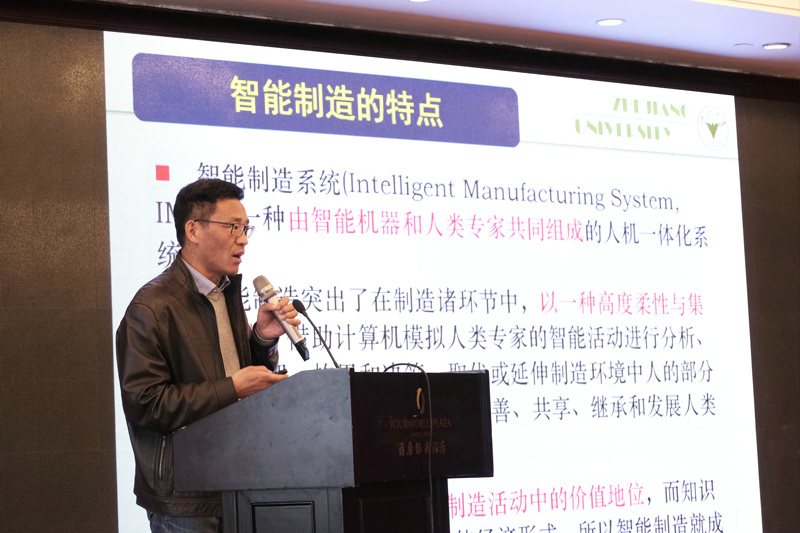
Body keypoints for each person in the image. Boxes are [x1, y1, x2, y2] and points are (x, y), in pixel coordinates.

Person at [116, 178, 298, 532]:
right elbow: (146, 404)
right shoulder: (151, 307)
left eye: (245, 228)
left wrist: (262, 339)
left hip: (240, 483)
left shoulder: (224, 294)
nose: (243, 239)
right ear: (193, 230)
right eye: (233, 227)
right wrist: (232, 388)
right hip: (187, 499)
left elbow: (239, 377)